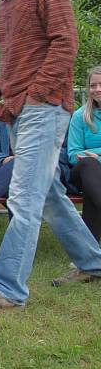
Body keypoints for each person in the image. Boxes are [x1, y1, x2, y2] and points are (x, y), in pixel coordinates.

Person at [0, 0, 101, 308]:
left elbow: (66, 43)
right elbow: (12, 56)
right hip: (17, 109)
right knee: (48, 196)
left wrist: (34, 95)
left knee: (24, 196)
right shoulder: (5, 0)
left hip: (41, 108)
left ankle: (9, 288)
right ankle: (93, 262)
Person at [67, 66, 101, 241]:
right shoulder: (80, 116)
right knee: (90, 165)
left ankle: (90, 249)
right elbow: (73, 154)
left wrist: (96, 155)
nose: (97, 89)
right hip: (82, 174)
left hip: (93, 182)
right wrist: (94, 159)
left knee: (93, 184)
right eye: (93, 85)